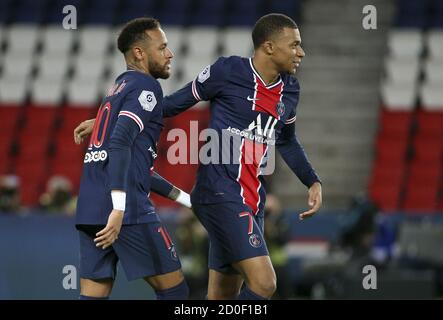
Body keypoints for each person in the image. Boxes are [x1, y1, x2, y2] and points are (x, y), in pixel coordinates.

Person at [74, 13, 323, 300]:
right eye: (294, 45)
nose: (301, 52)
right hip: (221, 192)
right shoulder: (227, 72)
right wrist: (120, 120)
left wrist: (312, 181)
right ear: (269, 46)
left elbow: (287, 140)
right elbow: (172, 104)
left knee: (222, 295)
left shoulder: (290, 90)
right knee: (265, 284)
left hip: (253, 198)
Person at [74, 17, 190, 300]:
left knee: (93, 295)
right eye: (162, 47)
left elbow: (135, 168)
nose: (170, 53)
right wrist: (118, 209)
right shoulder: (145, 87)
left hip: (90, 209)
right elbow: (120, 143)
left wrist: (188, 200)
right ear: (139, 53)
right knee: (175, 292)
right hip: (126, 212)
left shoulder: (117, 92)